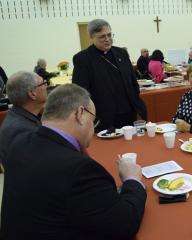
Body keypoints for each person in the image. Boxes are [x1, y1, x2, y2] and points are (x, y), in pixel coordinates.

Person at [0, 84, 147, 239]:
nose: (93, 127)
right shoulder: (79, 170)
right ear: (80, 113)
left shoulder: (20, 144)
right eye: (93, 120)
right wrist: (132, 179)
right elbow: (124, 224)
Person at [72, 19, 147, 131]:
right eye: (102, 36)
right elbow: (81, 92)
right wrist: (94, 117)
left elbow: (133, 81)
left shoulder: (121, 53)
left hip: (130, 113)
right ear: (92, 37)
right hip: (105, 117)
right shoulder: (83, 59)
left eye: (109, 35)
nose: (107, 39)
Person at [0, 71, 47, 165]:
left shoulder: (18, 115)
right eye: (43, 84)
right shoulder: (24, 131)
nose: (46, 87)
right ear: (32, 94)